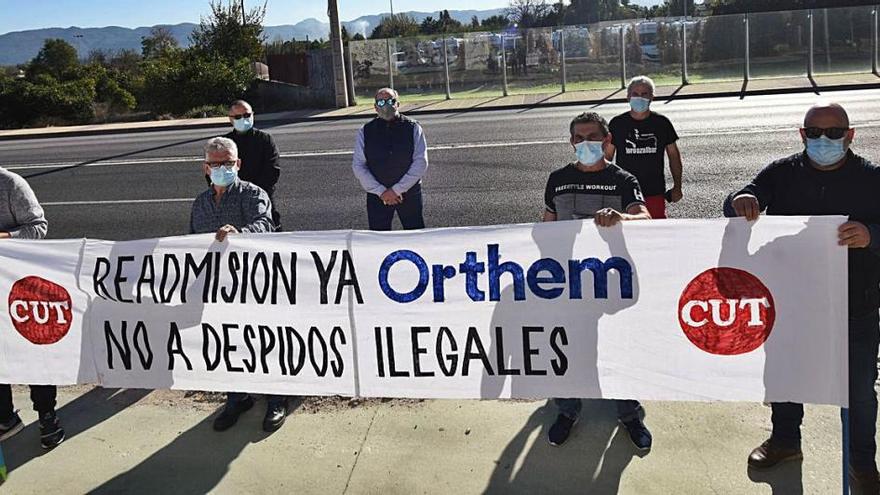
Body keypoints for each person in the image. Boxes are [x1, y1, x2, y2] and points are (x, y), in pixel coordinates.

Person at [724, 103, 880, 493]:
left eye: (833, 132)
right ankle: (785, 441)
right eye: (814, 133)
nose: (823, 140)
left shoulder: (872, 178)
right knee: (785, 376)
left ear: (850, 135)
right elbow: (742, 197)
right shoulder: (782, 173)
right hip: (793, 301)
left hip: (854, 304)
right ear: (802, 134)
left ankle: (862, 462)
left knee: (859, 390)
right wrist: (742, 198)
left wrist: (872, 234)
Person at [543, 111, 653, 451]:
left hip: (610, 283)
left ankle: (629, 414)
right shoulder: (557, 178)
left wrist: (622, 217)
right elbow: (546, 223)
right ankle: (567, 410)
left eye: (593, 137)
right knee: (567, 349)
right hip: (569, 283)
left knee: (617, 348)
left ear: (607, 142)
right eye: (579, 138)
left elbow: (645, 217)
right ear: (571, 142)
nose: (585, 143)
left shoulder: (622, 179)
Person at [190, 137, 289, 433]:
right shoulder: (200, 202)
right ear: (206, 168)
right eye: (217, 163)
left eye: (228, 162)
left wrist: (240, 233)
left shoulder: (252, 193)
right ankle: (237, 396)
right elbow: (191, 241)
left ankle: (276, 398)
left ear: (238, 164)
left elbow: (265, 223)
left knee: (263, 340)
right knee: (229, 342)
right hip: (219, 288)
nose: (223, 168)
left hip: (254, 284)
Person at [0, 166, 64, 449]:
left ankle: (46, 416)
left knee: (33, 348)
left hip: (22, 285)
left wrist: (5, 239)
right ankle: (5, 418)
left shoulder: (11, 184)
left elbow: (38, 227)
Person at [607, 76, 683, 219]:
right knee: (625, 229)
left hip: (654, 190)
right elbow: (607, 157)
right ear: (628, 97)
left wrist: (677, 186)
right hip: (624, 190)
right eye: (635, 94)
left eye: (644, 94)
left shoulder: (662, 123)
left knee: (656, 231)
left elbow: (674, 156)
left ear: (652, 97)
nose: (639, 98)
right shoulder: (617, 124)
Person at [352, 87, 428, 231]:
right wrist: (381, 192)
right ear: (375, 107)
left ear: (397, 104)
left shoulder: (413, 128)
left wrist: (396, 190)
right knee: (378, 238)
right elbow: (358, 165)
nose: (386, 105)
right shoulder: (365, 131)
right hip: (378, 196)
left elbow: (421, 162)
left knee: (415, 235)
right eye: (381, 102)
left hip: (409, 193)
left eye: (390, 101)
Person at [225, 100, 283, 230]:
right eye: (238, 117)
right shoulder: (226, 143)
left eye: (246, 115)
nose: (243, 119)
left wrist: (254, 192)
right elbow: (215, 171)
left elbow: (272, 170)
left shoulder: (265, 139)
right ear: (230, 119)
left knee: (272, 236)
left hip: (262, 198)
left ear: (252, 115)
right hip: (233, 201)